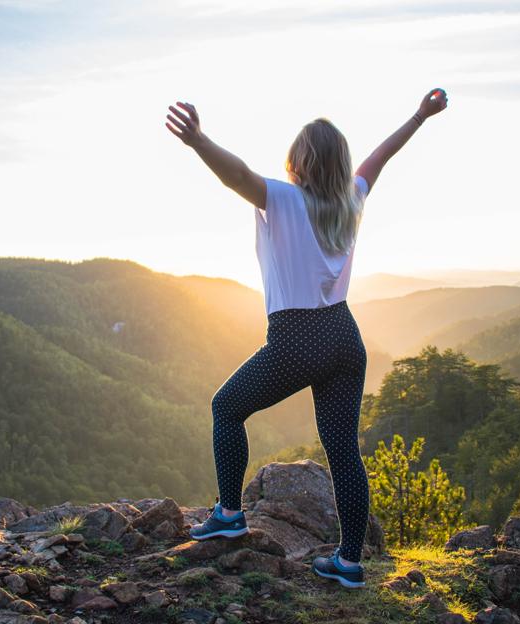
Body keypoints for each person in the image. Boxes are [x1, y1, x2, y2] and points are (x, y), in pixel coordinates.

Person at [165, 87, 448, 589]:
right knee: (343, 451)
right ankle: (349, 562)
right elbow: (381, 155)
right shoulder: (351, 199)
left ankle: (229, 513)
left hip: (298, 337)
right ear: (340, 163)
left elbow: (238, 176)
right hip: (345, 335)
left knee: (226, 408)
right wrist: (419, 116)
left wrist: (199, 141)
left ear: (299, 160)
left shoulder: (285, 198)